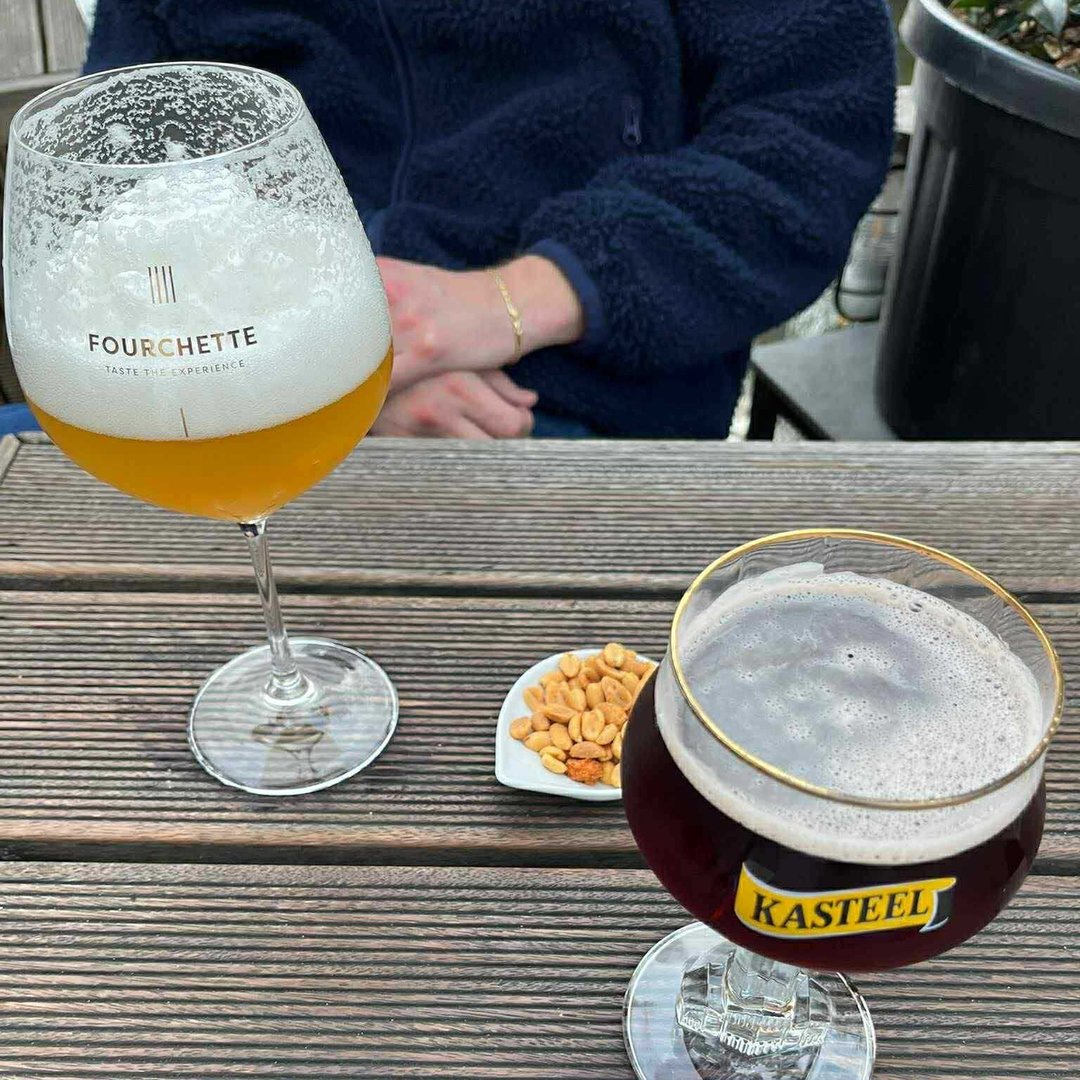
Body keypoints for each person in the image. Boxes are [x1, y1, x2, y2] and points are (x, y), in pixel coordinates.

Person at [85, 1, 896, 439]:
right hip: (246, 389)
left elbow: (811, 133)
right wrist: (320, 381)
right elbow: (122, 182)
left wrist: (505, 304)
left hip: (571, 402)